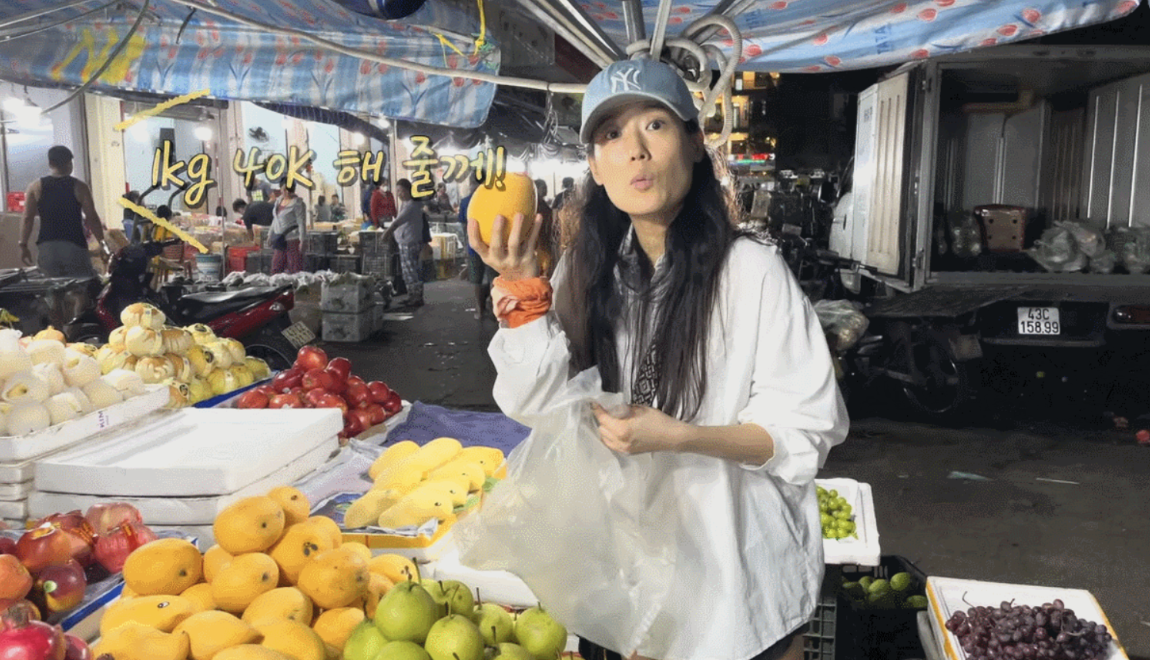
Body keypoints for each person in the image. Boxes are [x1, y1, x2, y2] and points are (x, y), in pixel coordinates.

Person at [467, 58, 847, 660]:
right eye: (611, 134)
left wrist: (682, 437)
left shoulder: (751, 272)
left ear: (694, 143)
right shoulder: (587, 271)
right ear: (595, 166)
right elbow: (539, 405)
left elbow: (805, 433)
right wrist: (522, 294)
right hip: (623, 585)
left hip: (734, 589)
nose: (635, 150)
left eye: (655, 125)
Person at [20, 145, 107, 277]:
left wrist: (23, 245)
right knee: (81, 287)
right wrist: (102, 244)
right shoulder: (80, 187)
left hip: (47, 248)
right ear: (69, 164)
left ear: (50, 163)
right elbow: (92, 218)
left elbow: (27, 218)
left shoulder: (36, 187)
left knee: (52, 288)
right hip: (75, 247)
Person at [381, 179, 425, 307]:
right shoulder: (406, 204)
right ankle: (412, 296)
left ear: (408, 190)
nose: (399, 194)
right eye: (398, 191)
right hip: (405, 241)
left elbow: (398, 222)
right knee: (408, 271)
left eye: (401, 191)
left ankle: (416, 297)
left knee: (411, 271)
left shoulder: (412, 205)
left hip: (410, 242)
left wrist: (387, 233)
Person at [458, 176, 497, 320]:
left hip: (475, 245)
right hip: (491, 245)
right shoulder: (493, 199)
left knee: (478, 280)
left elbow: (463, 226)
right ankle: (494, 310)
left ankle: (480, 310)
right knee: (493, 279)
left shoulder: (466, 201)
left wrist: (467, 243)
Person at [269, 182, 306, 274]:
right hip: (279, 239)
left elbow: (301, 223)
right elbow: (275, 219)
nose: (286, 192)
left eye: (289, 189)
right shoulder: (278, 201)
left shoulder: (297, 203)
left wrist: (302, 240)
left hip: (292, 239)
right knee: (276, 267)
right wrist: (270, 235)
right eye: (284, 189)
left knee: (294, 267)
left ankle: (295, 282)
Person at [533, 178, 557, 277]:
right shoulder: (534, 204)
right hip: (538, 240)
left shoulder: (542, 203)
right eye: (543, 187)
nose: (546, 190)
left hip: (544, 238)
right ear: (536, 189)